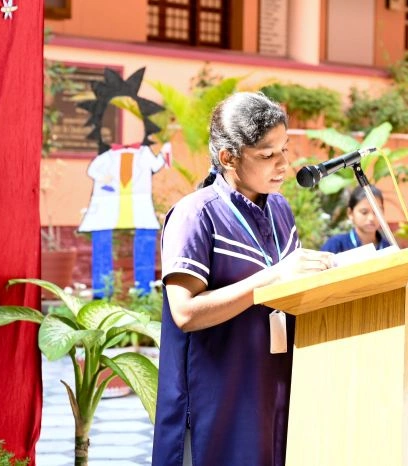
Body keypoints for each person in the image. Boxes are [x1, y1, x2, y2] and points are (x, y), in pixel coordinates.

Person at [152, 92, 334, 466]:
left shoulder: (279, 208)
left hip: (272, 384)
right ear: (228, 157)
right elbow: (185, 313)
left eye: (284, 150)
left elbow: (290, 285)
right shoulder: (195, 216)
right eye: (267, 155)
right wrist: (273, 278)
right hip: (217, 398)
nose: (283, 164)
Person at [321, 185, 392, 253]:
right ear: (350, 213)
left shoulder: (389, 248)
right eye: (364, 212)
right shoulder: (336, 245)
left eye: (377, 212)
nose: (371, 218)